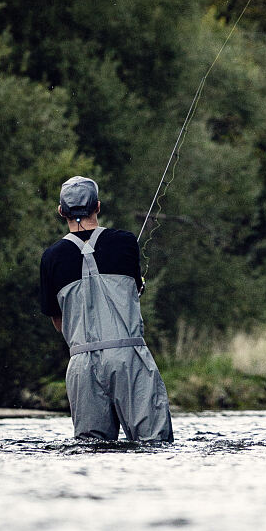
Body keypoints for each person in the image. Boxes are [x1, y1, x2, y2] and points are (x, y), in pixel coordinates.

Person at [39, 175, 173, 443]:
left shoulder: (50, 257)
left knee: (92, 448)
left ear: (61, 211)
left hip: (81, 367)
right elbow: (135, 291)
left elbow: (58, 321)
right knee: (154, 444)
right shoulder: (125, 242)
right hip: (128, 359)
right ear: (97, 207)